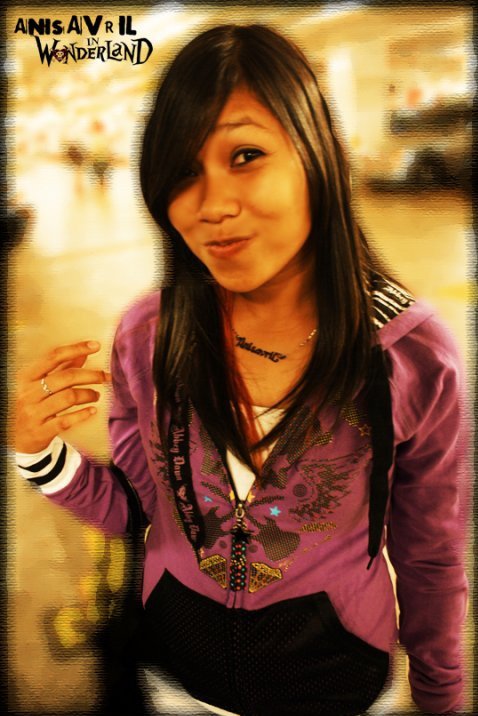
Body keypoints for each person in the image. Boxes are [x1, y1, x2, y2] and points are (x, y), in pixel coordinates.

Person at [13, 24, 468, 716]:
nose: (211, 206)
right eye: (183, 172)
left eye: (246, 155)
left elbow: (430, 554)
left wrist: (439, 694)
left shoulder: (410, 358)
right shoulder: (150, 335)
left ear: (317, 152)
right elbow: (142, 508)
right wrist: (37, 455)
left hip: (337, 683)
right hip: (177, 678)